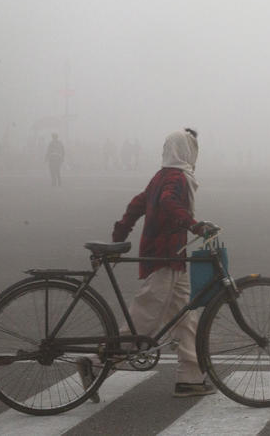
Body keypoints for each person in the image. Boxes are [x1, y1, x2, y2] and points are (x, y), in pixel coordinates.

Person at [101, 128, 217, 399]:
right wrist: (195, 225)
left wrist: (120, 233)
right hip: (164, 256)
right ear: (186, 151)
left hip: (172, 256)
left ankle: (190, 377)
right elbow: (167, 204)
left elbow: (137, 204)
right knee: (145, 316)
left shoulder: (163, 175)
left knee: (186, 316)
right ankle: (96, 365)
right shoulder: (175, 177)